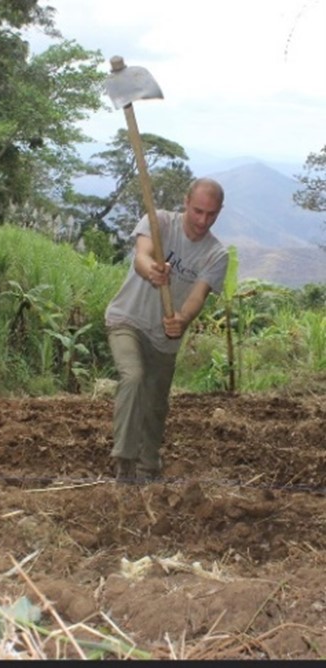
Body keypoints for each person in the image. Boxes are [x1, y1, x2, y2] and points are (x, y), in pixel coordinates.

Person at [105, 177, 228, 483]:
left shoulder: (216, 255)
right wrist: (152, 271)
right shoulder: (158, 221)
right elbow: (141, 257)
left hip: (165, 339)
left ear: (219, 212)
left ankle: (148, 469)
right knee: (132, 377)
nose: (203, 220)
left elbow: (198, 296)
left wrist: (181, 320)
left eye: (211, 214)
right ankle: (124, 462)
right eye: (198, 211)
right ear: (186, 202)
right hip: (127, 319)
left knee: (156, 405)